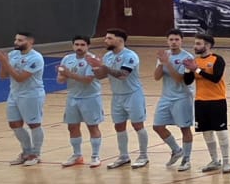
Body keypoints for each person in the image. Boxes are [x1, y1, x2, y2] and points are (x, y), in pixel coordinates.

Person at [99, 29, 149, 170]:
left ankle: (143, 156)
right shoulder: (107, 56)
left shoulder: (130, 56)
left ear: (120, 40)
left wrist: (105, 68)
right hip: (117, 95)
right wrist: (95, 68)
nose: (105, 41)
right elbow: (101, 75)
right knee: (119, 126)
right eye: (106, 38)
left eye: (109, 38)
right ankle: (123, 156)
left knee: (137, 125)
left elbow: (122, 75)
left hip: (133, 95)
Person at [0, 30, 45, 166]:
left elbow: (20, 78)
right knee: (14, 124)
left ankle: (36, 153)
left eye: (20, 40)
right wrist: (3, 63)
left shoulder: (36, 58)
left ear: (30, 42)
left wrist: (5, 63)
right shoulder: (13, 54)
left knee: (33, 124)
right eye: (16, 40)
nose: (16, 42)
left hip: (31, 94)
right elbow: (2, 76)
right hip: (14, 94)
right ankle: (26, 152)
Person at [151, 30, 197, 171]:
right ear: (167, 41)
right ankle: (176, 150)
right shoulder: (165, 55)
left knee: (184, 128)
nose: (174, 42)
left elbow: (179, 79)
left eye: (176, 39)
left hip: (182, 97)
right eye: (171, 39)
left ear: (181, 41)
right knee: (157, 126)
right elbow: (156, 77)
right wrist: (161, 63)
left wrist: (168, 63)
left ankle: (186, 159)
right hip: (166, 97)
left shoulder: (187, 57)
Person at [56, 35, 103, 168]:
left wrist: (68, 74)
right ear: (73, 46)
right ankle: (77, 155)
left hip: (90, 98)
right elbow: (60, 80)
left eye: (82, 45)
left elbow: (87, 80)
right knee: (72, 126)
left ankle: (95, 156)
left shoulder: (92, 60)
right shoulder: (67, 59)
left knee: (92, 127)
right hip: (72, 97)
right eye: (76, 45)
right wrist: (63, 75)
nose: (79, 47)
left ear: (88, 46)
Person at [191, 35, 230, 173]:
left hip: (217, 100)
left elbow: (216, 78)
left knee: (221, 132)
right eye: (195, 43)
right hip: (200, 101)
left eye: (198, 44)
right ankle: (214, 160)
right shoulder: (195, 61)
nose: (195, 46)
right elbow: (187, 81)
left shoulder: (217, 59)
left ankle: (226, 161)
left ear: (207, 45)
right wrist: (187, 69)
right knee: (206, 132)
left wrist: (197, 70)